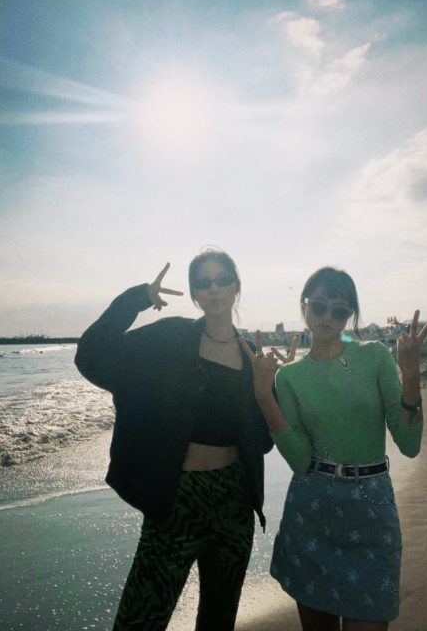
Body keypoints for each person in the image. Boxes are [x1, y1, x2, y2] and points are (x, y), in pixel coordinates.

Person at [75, 250, 273, 631]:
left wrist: (265, 390)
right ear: (194, 293)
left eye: (222, 279)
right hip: (176, 499)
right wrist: (138, 298)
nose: (214, 288)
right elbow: (92, 355)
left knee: (218, 620)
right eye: (203, 282)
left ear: (236, 286)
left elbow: (261, 442)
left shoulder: (252, 355)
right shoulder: (170, 338)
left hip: (234, 503)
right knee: (138, 620)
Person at [241, 266, 427, 631]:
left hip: (372, 509)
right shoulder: (290, 376)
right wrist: (264, 396)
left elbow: (409, 444)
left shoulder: (374, 357)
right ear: (304, 306)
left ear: (350, 315)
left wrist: (411, 375)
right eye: (319, 305)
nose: (327, 316)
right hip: (311, 512)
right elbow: (299, 459)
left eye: (340, 310)